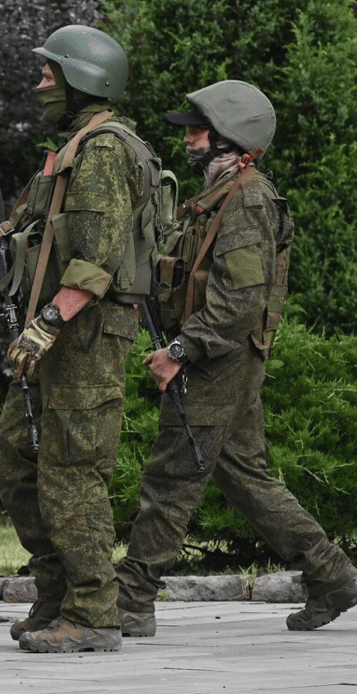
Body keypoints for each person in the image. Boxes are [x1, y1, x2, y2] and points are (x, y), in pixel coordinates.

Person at [116, 80, 357, 636]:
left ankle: (131, 599)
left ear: (232, 137)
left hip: (216, 359)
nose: (188, 139)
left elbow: (239, 303)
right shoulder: (218, 195)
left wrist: (180, 349)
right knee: (243, 475)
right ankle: (331, 574)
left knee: (173, 475)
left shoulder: (247, 199)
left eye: (198, 130)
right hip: (219, 355)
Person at [0, 24, 147, 654]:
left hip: (81, 335)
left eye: (50, 74)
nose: (40, 85)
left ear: (83, 79)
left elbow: (99, 260)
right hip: (54, 337)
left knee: (72, 470)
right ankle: (56, 593)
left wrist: (48, 321)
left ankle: (93, 612)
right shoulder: (74, 149)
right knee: (16, 460)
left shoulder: (106, 149)